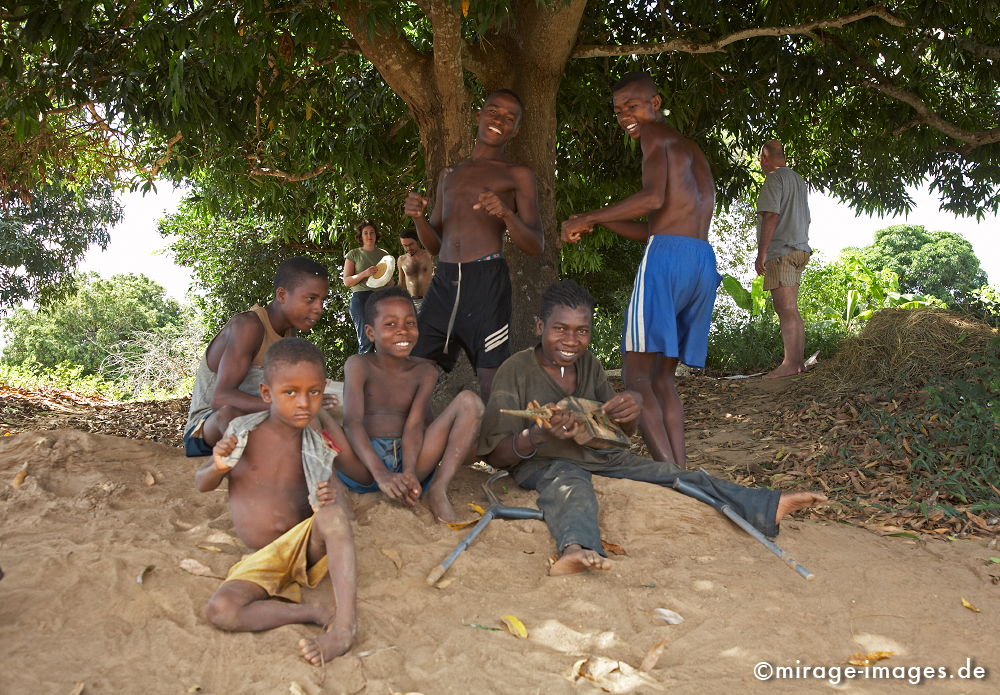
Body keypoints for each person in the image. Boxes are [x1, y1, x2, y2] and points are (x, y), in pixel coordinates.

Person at [478, 280, 826, 576]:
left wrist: (629, 411)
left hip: (600, 457)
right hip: (544, 464)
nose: (571, 340)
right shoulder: (515, 370)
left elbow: (618, 435)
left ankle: (767, 506)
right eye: (560, 329)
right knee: (571, 484)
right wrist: (538, 434)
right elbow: (496, 455)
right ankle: (576, 549)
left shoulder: (589, 364)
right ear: (540, 327)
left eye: (582, 331)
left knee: (671, 473)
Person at [562, 71, 717, 469]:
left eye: (632, 106)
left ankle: (668, 473)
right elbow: (657, 225)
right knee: (663, 378)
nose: (625, 116)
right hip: (700, 259)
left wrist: (591, 215)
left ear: (655, 102)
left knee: (636, 378)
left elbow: (652, 198)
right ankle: (682, 470)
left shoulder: (653, 136)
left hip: (666, 259)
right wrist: (594, 220)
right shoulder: (690, 150)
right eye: (618, 111)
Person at [196, 338, 357, 666]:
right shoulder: (241, 434)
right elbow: (202, 483)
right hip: (265, 556)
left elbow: (344, 500)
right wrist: (218, 465)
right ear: (267, 394)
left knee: (334, 518)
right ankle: (310, 611)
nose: (303, 403)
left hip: (304, 546)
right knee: (221, 610)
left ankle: (343, 629)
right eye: (290, 392)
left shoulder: (316, 444)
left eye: (313, 392)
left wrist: (329, 499)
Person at [404, 89, 543, 403]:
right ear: (479, 114)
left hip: (486, 283)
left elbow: (536, 244)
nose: (499, 121)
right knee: (414, 371)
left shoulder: (517, 175)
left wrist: (506, 213)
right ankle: (408, 447)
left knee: (492, 378)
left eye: (509, 118)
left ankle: (500, 449)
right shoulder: (449, 175)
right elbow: (436, 246)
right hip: (444, 283)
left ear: (516, 131)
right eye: (494, 111)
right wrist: (418, 219)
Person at [339, 286, 485, 523]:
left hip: (413, 458)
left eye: (410, 323)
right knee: (318, 418)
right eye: (390, 324)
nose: (402, 331)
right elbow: (352, 423)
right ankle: (333, 489)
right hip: (364, 465)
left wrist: (408, 472)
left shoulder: (425, 372)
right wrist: (381, 474)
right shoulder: (358, 364)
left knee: (471, 403)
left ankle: (438, 490)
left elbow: (414, 425)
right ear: (370, 332)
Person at [183, 257, 331, 456]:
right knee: (231, 415)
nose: (318, 308)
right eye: (310, 299)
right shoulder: (249, 326)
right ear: (282, 295)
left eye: (322, 300)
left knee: (325, 410)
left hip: (261, 419)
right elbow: (221, 398)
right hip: (207, 428)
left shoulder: (289, 335)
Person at [756, 140, 812, 378]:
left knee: (786, 308)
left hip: (782, 252)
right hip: (801, 249)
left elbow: (771, 215)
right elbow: (807, 218)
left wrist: (762, 253)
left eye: (760, 158)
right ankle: (796, 363)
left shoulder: (774, 178)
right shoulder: (799, 180)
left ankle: (791, 364)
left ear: (764, 158)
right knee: (791, 308)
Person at [343, 220, 392, 355]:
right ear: (360, 236)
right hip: (361, 298)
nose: (369, 235)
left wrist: (389, 281)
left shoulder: (384, 254)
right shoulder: (354, 254)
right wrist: (365, 274)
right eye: (365, 233)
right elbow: (347, 281)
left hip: (381, 298)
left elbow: (390, 281)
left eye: (372, 232)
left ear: (376, 235)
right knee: (366, 341)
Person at [396, 228, 435, 312]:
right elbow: (401, 284)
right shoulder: (401, 260)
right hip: (411, 302)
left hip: (429, 300)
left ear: (417, 241)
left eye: (411, 244)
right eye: (405, 245)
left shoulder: (429, 255)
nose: (408, 248)